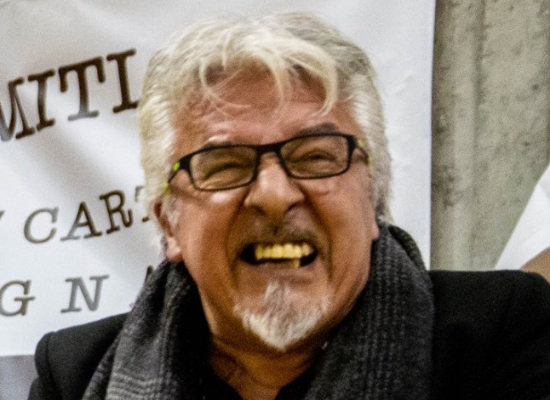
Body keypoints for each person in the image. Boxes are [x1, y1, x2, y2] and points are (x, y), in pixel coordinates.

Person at [28, 12, 550, 400]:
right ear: (169, 224)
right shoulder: (73, 374)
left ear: (374, 197)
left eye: (316, 157)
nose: (275, 195)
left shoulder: (501, 333)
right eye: (224, 165)